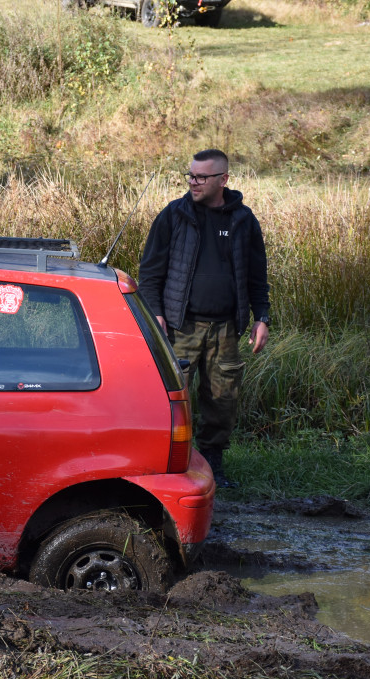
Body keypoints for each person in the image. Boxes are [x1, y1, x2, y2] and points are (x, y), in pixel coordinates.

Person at [138, 149, 270, 488]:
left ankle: (213, 464)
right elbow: (150, 273)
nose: (193, 182)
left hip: (226, 329)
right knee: (169, 397)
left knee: (223, 400)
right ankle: (166, 464)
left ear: (223, 180)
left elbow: (257, 275)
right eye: (191, 176)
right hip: (181, 326)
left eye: (201, 177)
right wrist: (155, 315)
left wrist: (262, 317)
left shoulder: (243, 221)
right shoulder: (174, 216)